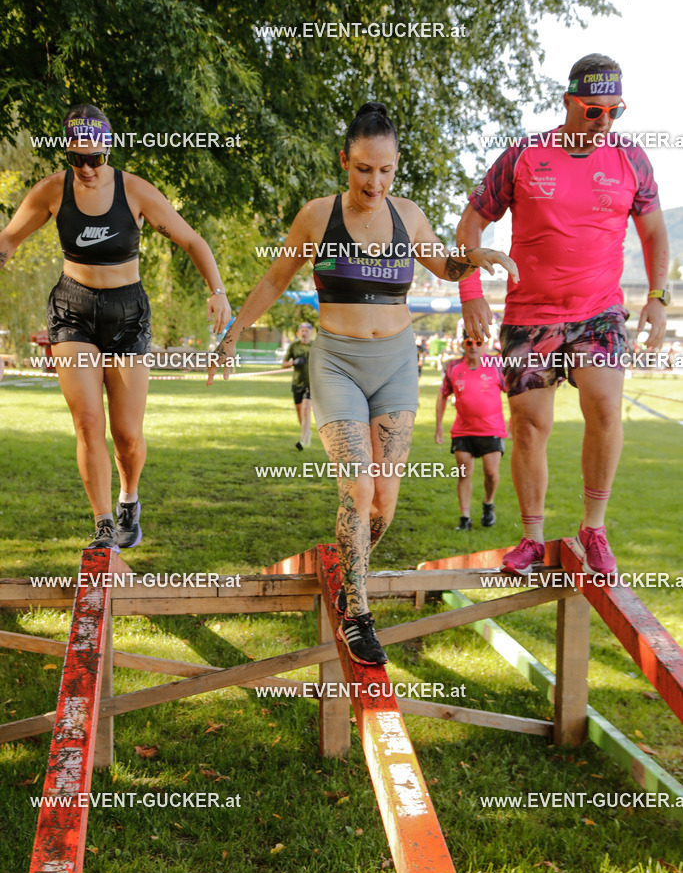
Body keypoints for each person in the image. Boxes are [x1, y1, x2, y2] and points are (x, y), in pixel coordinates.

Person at [208, 101, 518, 664]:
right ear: (344, 162)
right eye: (363, 169)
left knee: (385, 504)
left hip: (398, 364)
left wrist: (477, 256)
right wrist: (233, 333)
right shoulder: (316, 217)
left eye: (386, 170)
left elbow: (445, 266)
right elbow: (276, 277)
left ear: (396, 167)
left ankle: (349, 561)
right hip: (338, 364)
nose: (375, 182)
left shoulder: (409, 215)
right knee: (358, 488)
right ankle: (358, 610)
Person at [456, 54, 668, 576]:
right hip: (529, 315)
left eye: (615, 111)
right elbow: (471, 221)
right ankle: (531, 538)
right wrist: (470, 291)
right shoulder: (524, 155)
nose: (604, 122)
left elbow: (657, 233)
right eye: (593, 110)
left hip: (598, 313)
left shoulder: (632, 159)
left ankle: (593, 529)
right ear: (569, 101)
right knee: (529, 426)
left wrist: (658, 297)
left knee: (604, 407)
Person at [0, 104, 231, 550]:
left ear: (109, 149)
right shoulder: (51, 191)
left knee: (126, 435)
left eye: (96, 159)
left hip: (127, 313)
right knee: (88, 421)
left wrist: (217, 291)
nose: (87, 168)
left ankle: (129, 501)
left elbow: (192, 240)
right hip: (72, 309)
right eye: (77, 159)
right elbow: (8, 239)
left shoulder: (136, 192)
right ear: (67, 152)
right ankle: (104, 524)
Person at [435, 331, 506, 530]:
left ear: (485, 344)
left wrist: (515, 421)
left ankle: (488, 503)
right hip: (463, 431)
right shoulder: (454, 367)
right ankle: (465, 517)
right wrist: (438, 426)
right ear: (462, 343)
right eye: (469, 341)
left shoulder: (496, 365)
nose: (473, 346)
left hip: (492, 429)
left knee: (491, 473)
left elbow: (512, 392)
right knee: (464, 474)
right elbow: (442, 396)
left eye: (478, 342)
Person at [282, 321, 314, 449]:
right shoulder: (294, 346)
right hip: (297, 383)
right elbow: (283, 364)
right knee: (300, 413)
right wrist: (294, 362)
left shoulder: (316, 346)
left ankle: (302, 440)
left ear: (311, 333)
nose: (304, 333)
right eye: (302, 331)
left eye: (307, 331)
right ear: (298, 333)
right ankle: (306, 432)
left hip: (311, 383)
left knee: (306, 409)